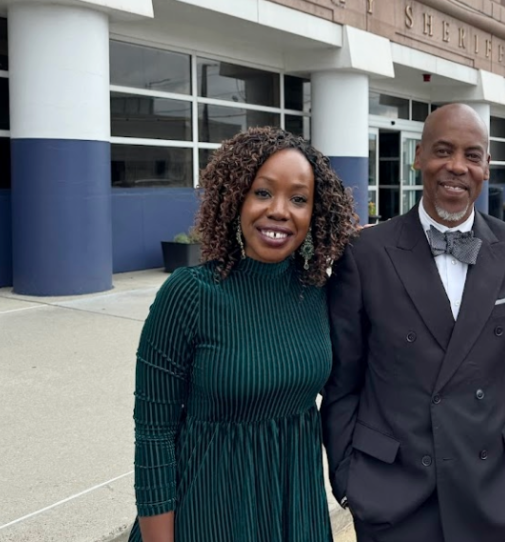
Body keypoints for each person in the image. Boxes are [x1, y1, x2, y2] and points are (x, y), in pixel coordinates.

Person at [321, 104, 505, 542]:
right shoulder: (365, 253)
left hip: (496, 489)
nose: (456, 167)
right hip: (394, 492)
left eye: (472, 155)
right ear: (418, 156)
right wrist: (350, 479)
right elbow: (342, 382)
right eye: (443, 151)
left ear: (486, 167)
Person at [128, 127, 357, 542]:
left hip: (295, 512)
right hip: (208, 516)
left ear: (316, 214)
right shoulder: (189, 294)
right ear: (234, 200)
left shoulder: (318, 292)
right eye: (263, 192)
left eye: (299, 199)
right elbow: (153, 434)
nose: (280, 211)